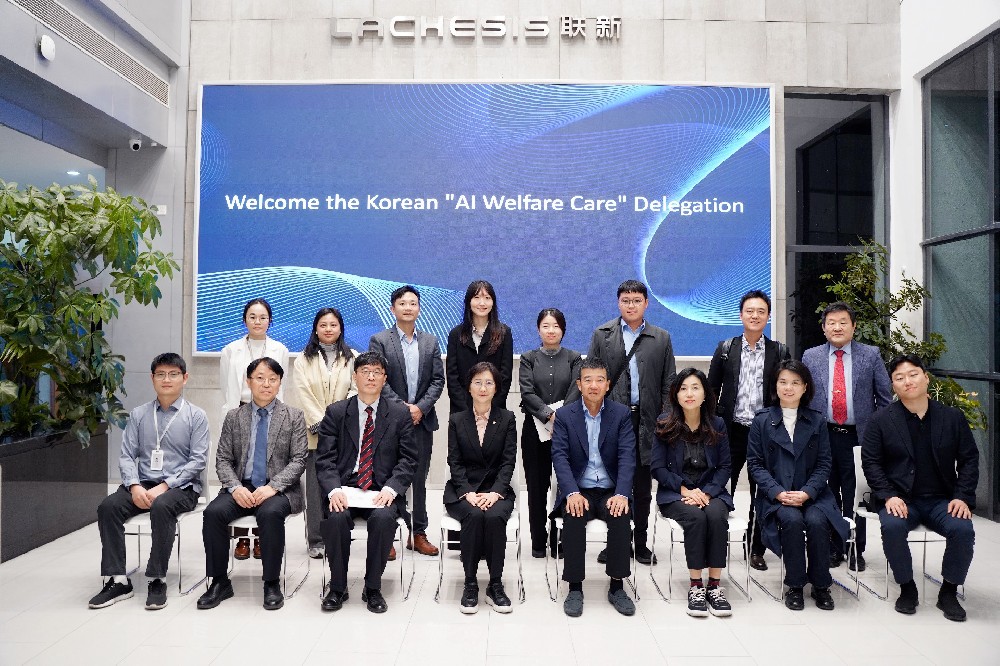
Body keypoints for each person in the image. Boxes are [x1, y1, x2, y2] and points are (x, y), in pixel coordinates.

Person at [861, 354, 978, 622]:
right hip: (901, 499)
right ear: (893, 386)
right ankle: (907, 587)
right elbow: (871, 462)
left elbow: (969, 459)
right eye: (899, 378)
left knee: (962, 528)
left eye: (913, 374)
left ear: (926, 377)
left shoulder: (952, 417)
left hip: (942, 499)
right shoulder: (881, 420)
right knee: (892, 526)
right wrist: (888, 495)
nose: (907, 381)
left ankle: (948, 591)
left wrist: (962, 496)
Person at [88, 353, 210, 610]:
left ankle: (157, 578)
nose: (167, 379)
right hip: (142, 484)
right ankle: (118, 580)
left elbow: (197, 461)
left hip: (181, 487)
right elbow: (126, 456)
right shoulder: (139, 414)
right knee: (108, 507)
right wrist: (134, 486)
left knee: (162, 506)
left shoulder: (196, 416)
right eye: (161, 374)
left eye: (173, 374)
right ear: (152, 378)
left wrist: (164, 486)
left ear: (185, 378)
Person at [198, 357, 308, 611]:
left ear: (280, 383)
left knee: (270, 514)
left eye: (272, 379)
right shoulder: (234, 417)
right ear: (248, 382)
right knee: (213, 513)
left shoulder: (293, 416)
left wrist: (273, 487)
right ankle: (219, 581)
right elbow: (223, 459)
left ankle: (271, 582)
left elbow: (299, 460)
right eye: (260, 378)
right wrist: (235, 487)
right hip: (241, 486)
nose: (266, 384)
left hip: (277, 489)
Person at [316, 351, 418, 614]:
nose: (371, 377)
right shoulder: (337, 412)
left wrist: (392, 488)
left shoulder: (399, 414)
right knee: (336, 518)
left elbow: (408, 460)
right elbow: (324, 459)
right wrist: (333, 490)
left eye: (377, 372)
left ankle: (372, 587)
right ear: (355, 376)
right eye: (365, 372)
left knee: (383, 519)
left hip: (381, 490)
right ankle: (337, 587)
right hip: (345, 488)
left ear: (385, 378)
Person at [583, 279, 675, 565]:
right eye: (625, 300)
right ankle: (615, 542)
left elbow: (669, 383)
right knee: (613, 484)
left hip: (649, 421)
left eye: (636, 300)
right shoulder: (602, 334)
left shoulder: (661, 337)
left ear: (646, 303)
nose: (631, 305)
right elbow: (592, 378)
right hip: (612, 419)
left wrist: (665, 419)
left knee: (642, 487)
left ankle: (641, 543)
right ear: (618, 303)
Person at [747, 360, 849, 611]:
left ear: (805, 387)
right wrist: (777, 492)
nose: (788, 388)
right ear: (775, 386)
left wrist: (807, 492)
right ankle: (795, 585)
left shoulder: (816, 421)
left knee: (816, 521)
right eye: (783, 382)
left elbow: (824, 464)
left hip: (813, 494)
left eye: (795, 383)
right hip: (777, 495)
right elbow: (755, 464)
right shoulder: (762, 421)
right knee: (791, 520)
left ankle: (821, 584)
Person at [802, 301, 891, 571]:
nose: (837, 327)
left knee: (856, 495)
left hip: (858, 437)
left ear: (854, 326)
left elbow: (884, 399)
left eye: (843, 322)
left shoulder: (871, 355)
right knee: (827, 492)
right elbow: (804, 399)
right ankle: (832, 546)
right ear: (824, 328)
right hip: (824, 436)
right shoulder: (811, 356)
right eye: (831, 323)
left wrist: (880, 436)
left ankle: (855, 549)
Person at [707, 289, 790, 571]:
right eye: (750, 311)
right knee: (720, 487)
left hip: (765, 434)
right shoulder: (726, 348)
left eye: (761, 312)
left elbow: (785, 391)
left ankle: (756, 547)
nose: (755, 316)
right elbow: (712, 390)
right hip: (730, 432)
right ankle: (717, 541)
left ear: (768, 316)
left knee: (762, 491)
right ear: (741, 315)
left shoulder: (779, 351)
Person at [552, 358, 637, 618]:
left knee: (621, 516)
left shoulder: (621, 414)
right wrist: (571, 492)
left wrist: (622, 493)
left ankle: (617, 586)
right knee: (574, 514)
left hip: (611, 489)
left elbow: (627, 456)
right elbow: (559, 457)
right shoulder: (565, 415)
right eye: (588, 380)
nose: (593, 385)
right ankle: (575, 587)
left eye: (599, 380)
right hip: (580, 489)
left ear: (608, 384)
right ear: (579, 384)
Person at [650, 368, 734, 617]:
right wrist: (685, 490)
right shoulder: (664, 423)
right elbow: (657, 468)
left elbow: (725, 466)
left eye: (695, 388)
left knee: (716, 516)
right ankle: (696, 585)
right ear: (676, 395)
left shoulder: (717, 424)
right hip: (676, 493)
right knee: (696, 518)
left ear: (705, 394)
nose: (689, 393)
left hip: (711, 492)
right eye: (684, 388)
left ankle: (715, 586)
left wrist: (706, 493)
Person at [370, 285, 445, 558]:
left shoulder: (430, 341)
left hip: (421, 421)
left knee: (419, 479)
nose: (408, 307)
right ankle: (387, 534)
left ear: (419, 309)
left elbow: (438, 380)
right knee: (388, 476)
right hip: (390, 421)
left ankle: (418, 533)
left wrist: (420, 408)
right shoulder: (380, 340)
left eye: (413, 303)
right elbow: (379, 378)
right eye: (402, 303)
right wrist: (403, 410)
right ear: (393, 308)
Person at [219, 298, 290, 560]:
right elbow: (225, 386)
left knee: (264, 474)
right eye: (252, 317)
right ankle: (241, 538)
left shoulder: (280, 349)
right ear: (244, 320)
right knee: (241, 475)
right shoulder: (230, 350)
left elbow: (282, 385)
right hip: (241, 413)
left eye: (262, 317)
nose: (257, 322)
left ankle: (261, 536)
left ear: (270, 321)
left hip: (270, 414)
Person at [445, 362, 517, 614]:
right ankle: (470, 583)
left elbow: (508, 462)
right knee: (474, 516)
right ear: (469, 387)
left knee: (495, 517)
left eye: (488, 383)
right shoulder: (457, 420)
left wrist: (496, 492)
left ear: (496, 388)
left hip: (497, 490)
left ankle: (495, 584)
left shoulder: (507, 419)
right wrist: (468, 492)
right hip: (463, 490)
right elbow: (454, 462)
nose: (483, 388)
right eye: (477, 382)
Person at [292, 307, 358, 559]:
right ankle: (316, 539)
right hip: (315, 434)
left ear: (340, 328)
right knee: (315, 488)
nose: (328, 329)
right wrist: (322, 423)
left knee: (340, 485)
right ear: (316, 329)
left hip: (344, 433)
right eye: (323, 325)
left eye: (333, 325)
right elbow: (303, 392)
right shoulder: (303, 359)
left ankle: (337, 536)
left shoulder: (353, 358)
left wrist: (338, 421)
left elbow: (355, 390)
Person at [518, 307, 582, 558]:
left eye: (556, 326)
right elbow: (527, 392)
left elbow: (576, 390)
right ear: (538, 329)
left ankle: (559, 539)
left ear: (563, 330)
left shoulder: (574, 358)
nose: (551, 330)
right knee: (537, 486)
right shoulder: (528, 358)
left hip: (568, 431)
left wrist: (561, 418)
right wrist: (549, 415)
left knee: (566, 484)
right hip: (534, 431)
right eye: (546, 326)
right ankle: (538, 541)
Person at [446, 280, 514, 416]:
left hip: (495, 411)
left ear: (493, 302)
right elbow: (452, 378)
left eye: (487, 298)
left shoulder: (504, 333)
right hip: (461, 412)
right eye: (477, 297)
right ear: (468, 301)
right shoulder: (456, 334)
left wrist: (488, 409)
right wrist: (467, 411)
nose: (482, 303)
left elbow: (505, 377)